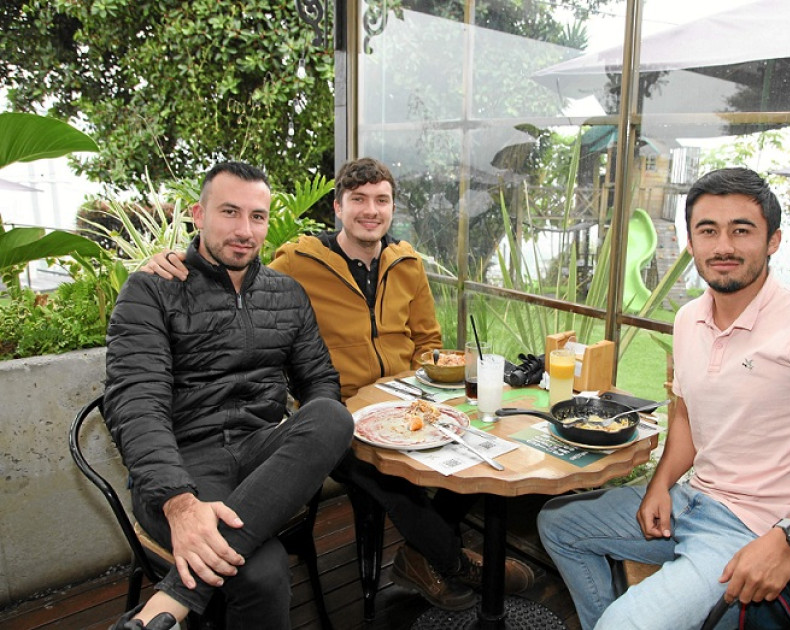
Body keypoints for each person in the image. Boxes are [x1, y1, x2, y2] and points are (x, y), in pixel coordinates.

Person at [141, 157, 534, 611]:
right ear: (338, 208)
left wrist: (429, 376)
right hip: (340, 409)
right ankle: (453, 561)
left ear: (392, 208)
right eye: (359, 200)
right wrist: (172, 259)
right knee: (388, 476)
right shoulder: (300, 263)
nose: (371, 210)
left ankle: (417, 555)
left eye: (381, 200)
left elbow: (428, 341)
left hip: (409, 405)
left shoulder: (407, 263)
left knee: (471, 450)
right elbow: (239, 270)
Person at [537, 167, 790, 629]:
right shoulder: (688, 319)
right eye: (708, 231)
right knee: (557, 523)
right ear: (690, 242)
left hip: (753, 526)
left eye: (741, 230)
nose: (723, 246)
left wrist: (787, 539)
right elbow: (686, 416)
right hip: (691, 500)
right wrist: (659, 485)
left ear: (773, 241)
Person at [105, 162, 353, 630]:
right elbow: (137, 406)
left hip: (263, 454)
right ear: (198, 215)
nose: (245, 230)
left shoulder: (287, 293)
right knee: (260, 573)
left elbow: (320, 381)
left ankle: (170, 604)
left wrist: (297, 459)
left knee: (332, 417)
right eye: (230, 212)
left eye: (257, 217)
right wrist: (178, 502)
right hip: (184, 464)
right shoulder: (151, 290)